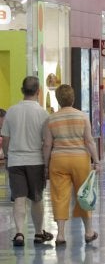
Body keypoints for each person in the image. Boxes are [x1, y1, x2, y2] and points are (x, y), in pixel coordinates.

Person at [42, 84, 101, 246]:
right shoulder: (82, 116)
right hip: (80, 160)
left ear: (58, 100)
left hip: (58, 160)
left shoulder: (51, 118)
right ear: (73, 98)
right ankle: (89, 232)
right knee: (84, 195)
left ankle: (60, 234)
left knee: (60, 196)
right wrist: (96, 161)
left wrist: (46, 165)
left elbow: (47, 144)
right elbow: (89, 141)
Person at [1, 76, 53, 247]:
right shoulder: (43, 114)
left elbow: (6, 139)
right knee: (37, 199)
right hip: (35, 161)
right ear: (38, 92)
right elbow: (46, 142)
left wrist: (8, 157)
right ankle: (39, 233)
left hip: (15, 161)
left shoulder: (11, 111)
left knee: (19, 198)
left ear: (22, 90)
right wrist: (46, 164)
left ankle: (19, 234)